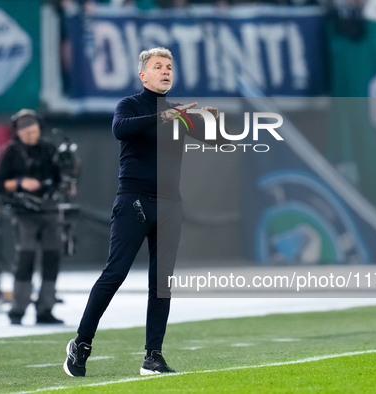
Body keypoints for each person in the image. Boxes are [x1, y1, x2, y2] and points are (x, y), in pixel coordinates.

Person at [64, 47, 219, 377]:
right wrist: (162, 116)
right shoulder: (130, 105)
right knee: (115, 274)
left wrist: (215, 126)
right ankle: (81, 343)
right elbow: (121, 130)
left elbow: (217, 143)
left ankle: (153, 356)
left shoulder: (178, 113)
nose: (165, 71)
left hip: (170, 205)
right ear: (143, 75)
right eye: (158, 66)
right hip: (134, 201)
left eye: (169, 67)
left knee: (161, 284)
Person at [0, 109, 64, 325]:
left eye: (33, 131)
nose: (30, 135)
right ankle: (18, 309)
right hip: (24, 213)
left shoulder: (49, 150)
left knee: (52, 258)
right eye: (25, 132)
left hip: (49, 211)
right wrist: (20, 182)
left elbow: (61, 179)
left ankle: (45, 308)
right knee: (26, 258)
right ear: (18, 132)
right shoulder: (12, 152)